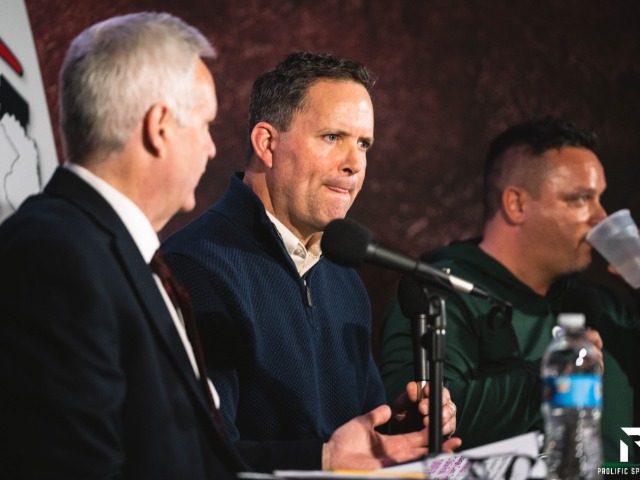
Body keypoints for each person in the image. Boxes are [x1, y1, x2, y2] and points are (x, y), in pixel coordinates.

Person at [0, 13, 455, 479]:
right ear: (159, 127)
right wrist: (322, 459)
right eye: (204, 124)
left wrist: (384, 436)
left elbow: (186, 447)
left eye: (364, 145)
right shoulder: (59, 255)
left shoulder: (108, 253)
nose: (211, 148)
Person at [162, 52, 459, 448]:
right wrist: (324, 461)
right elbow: (205, 454)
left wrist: (394, 432)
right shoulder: (194, 268)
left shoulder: (344, 276)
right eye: (332, 137)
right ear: (267, 143)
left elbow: (352, 439)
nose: (355, 164)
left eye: (364, 144)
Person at [380, 116, 640, 462]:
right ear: (516, 204)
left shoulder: (601, 305)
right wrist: (550, 378)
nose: (601, 217)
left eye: (599, 199)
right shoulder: (437, 294)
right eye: (581, 199)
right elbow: (412, 417)